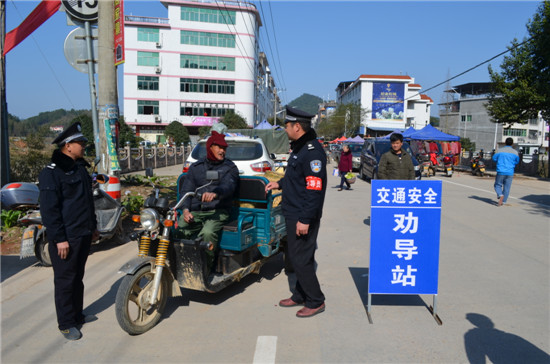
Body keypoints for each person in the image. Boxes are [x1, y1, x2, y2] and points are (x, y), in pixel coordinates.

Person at [38, 122, 99, 341]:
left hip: (83, 233)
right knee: (65, 280)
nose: (83, 146)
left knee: (77, 278)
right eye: (80, 143)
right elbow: (50, 211)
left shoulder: (79, 169)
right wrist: (60, 239)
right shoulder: (51, 173)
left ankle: (76, 315)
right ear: (67, 145)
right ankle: (65, 323)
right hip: (66, 237)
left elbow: (87, 203)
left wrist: (93, 228)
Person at [265, 106, 327, 318]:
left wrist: (304, 219)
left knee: (301, 259)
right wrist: (279, 184)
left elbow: (313, 189)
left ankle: (316, 300)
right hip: (293, 212)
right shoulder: (300, 148)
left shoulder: (312, 153)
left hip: (303, 215)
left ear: (297, 127)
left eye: (287, 126)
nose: (285, 129)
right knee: (295, 256)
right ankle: (300, 294)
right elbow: (296, 178)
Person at [178, 131, 239, 270]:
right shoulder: (196, 167)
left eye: (224, 148)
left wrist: (215, 194)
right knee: (179, 227)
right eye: (219, 147)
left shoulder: (230, 168)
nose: (222, 151)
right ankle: (181, 263)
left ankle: (206, 267)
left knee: (208, 232)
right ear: (210, 147)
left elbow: (229, 186)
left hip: (218, 211)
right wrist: (186, 210)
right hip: (197, 211)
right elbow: (186, 191)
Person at [492, 137, 520, 206]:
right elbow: (517, 161)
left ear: (505, 142)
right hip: (510, 172)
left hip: (501, 171)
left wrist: (499, 161)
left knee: (497, 185)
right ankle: (504, 201)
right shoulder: (515, 152)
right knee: (507, 187)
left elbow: (494, 158)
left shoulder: (499, 150)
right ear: (512, 144)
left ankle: (500, 194)